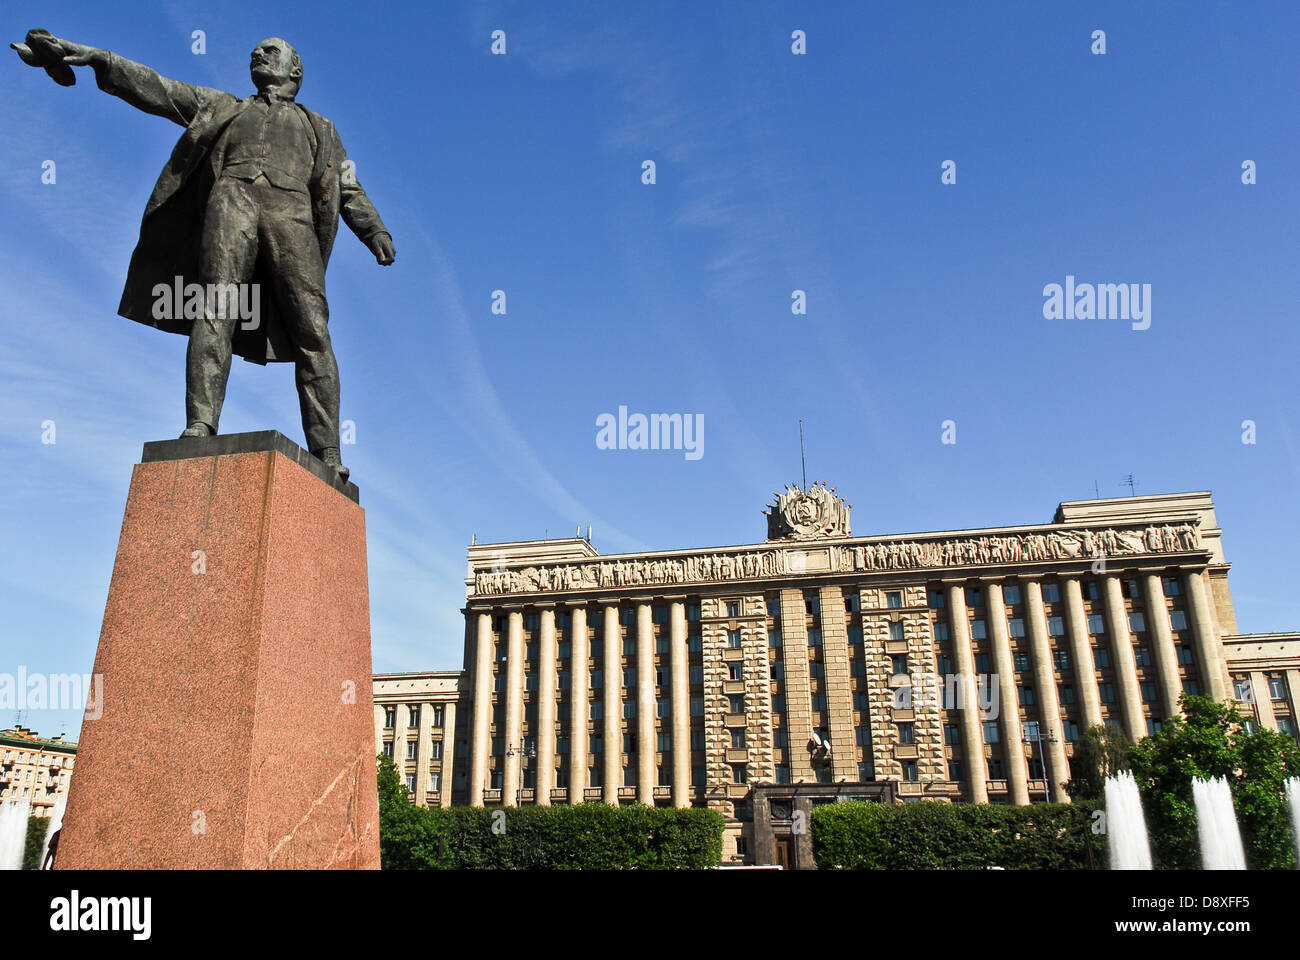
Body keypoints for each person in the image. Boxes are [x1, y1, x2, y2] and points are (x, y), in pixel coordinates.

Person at [15, 31, 395, 481]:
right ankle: (200, 425)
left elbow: (347, 187)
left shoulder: (322, 130)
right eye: (255, 49)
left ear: (295, 70)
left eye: (270, 51)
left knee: (313, 329)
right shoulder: (223, 106)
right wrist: (99, 59)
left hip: (293, 215)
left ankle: (328, 451)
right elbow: (159, 88)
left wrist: (374, 230)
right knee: (216, 310)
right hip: (230, 202)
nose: (257, 53)